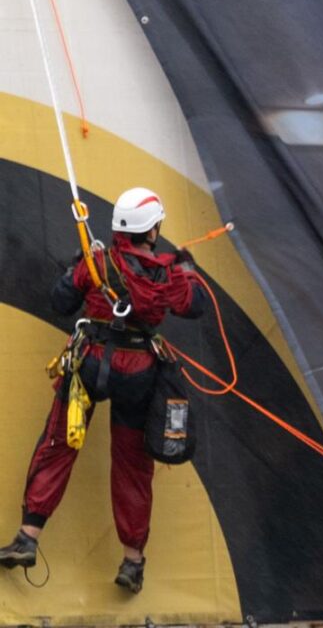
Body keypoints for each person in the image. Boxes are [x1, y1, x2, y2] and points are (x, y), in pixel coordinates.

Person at [0, 187, 202, 593]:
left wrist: (77, 266)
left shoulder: (96, 263)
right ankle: (132, 562)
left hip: (90, 363)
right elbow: (192, 305)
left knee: (59, 442)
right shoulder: (166, 270)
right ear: (152, 228)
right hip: (140, 372)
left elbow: (61, 302)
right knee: (131, 464)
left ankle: (28, 536)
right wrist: (187, 267)